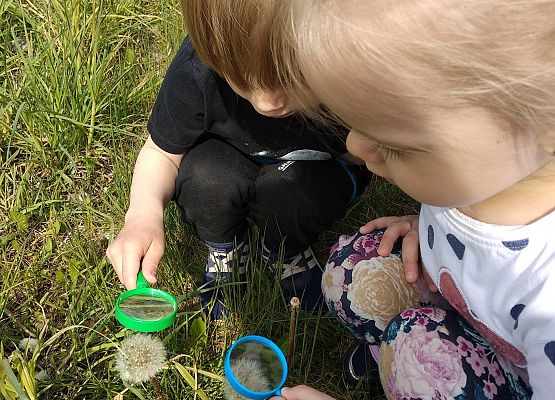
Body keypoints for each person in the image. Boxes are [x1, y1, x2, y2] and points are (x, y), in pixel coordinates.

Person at [269, 0, 555, 399]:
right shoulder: (484, 178)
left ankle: (408, 368)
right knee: (348, 273)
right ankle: (393, 357)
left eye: (397, 144)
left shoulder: (548, 296)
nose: (354, 145)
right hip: (461, 308)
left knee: (416, 350)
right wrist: (429, 224)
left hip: (518, 378)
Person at [105, 0, 370, 319]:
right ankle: (224, 245)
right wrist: (142, 216)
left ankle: (284, 249)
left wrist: (367, 140)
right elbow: (161, 152)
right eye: (241, 77)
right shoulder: (198, 70)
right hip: (227, 157)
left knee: (293, 191)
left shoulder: (349, 76)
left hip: (312, 167)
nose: (268, 101)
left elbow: (371, 158)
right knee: (206, 178)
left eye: (292, 77)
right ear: (211, 54)